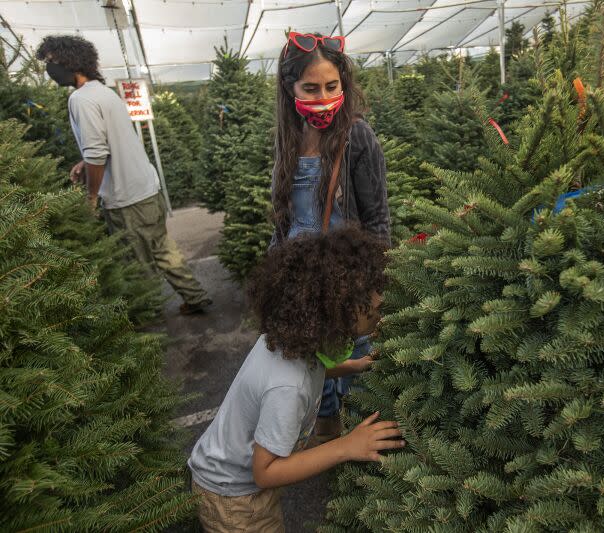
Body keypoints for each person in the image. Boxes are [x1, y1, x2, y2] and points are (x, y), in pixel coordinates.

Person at [188, 226, 402, 531]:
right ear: (337, 309)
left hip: (229, 477)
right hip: (235, 499)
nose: (380, 310)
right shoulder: (288, 387)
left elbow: (313, 370)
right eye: (374, 307)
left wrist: (352, 366)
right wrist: (346, 445)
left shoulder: (291, 340)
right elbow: (265, 472)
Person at [269, 31, 391, 441]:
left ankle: (359, 447)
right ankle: (326, 431)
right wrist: (274, 279)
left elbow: (376, 219)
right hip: (302, 278)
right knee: (311, 361)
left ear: (344, 84)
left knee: (355, 361)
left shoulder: (358, 136)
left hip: (349, 277)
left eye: (331, 86)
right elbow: (282, 219)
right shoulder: (287, 139)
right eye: (311, 88)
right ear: (290, 89)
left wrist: (373, 287)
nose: (322, 97)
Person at [35, 35, 212, 315]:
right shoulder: (104, 92)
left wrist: (91, 198)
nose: (50, 70)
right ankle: (195, 296)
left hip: (126, 200)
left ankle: (149, 323)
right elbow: (109, 143)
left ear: (71, 61)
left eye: (52, 62)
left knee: (137, 265)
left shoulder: (81, 99)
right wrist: (85, 161)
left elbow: (97, 153)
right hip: (147, 190)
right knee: (163, 250)